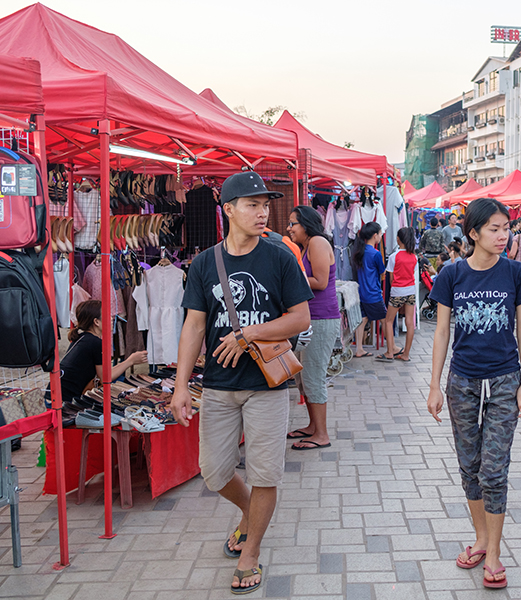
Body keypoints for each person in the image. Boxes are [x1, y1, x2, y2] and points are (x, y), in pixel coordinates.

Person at [171, 172, 312, 596]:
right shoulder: (203, 263)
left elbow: (301, 318)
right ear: (227, 209)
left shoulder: (279, 257)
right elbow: (193, 326)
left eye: (265, 204)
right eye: (252, 204)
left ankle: (250, 553)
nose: (262, 211)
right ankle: (253, 512)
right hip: (218, 384)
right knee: (213, 472)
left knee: (265, 472)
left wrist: (248, 334)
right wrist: (180, 387)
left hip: (266, 384)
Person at [427, 197, 521, 590]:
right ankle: (481, 538)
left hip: (506, 380)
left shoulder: (516, 273)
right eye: (494, 228)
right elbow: (441, 332)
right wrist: (434, 385)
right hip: (462, 382)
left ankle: (493, 553)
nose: (503, 235)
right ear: (473, 233)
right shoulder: (452, 275)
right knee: (469, 467)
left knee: (494, 470)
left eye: (506, 227)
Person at [286, 205, 340, 451]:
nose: (289, 228)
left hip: (321, 319)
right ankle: (312, 426)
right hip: (308, 320)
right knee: (302, 378)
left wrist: (287, 277)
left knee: (313, 377)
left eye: (292, 223)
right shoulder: (307, 246)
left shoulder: (317, 242)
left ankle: (321, 434)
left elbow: (319, 281)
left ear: (306, 223)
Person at [58, 300, 147, 404]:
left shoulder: (83, 338)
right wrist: (130, 361)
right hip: (65, 401)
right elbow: (106, 378)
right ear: (96, 322)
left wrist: (129, 360)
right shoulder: (95, 342)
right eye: (107, 315)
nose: (111, 318)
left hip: (59, 394)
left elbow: (105, 372)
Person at [376, 227, 417, 362]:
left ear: (398, 239)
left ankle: (389, 352)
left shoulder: (394, 257)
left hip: (397, 291)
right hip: (411, 290)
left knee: (389, 320)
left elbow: (391, 278)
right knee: (410, 323)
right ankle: (406, 354)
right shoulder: (414, 257)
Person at [351, 221, 386, 358]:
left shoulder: (360, 251)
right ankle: (391, 348)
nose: (381, 236)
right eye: (380, 234)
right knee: (385, 320)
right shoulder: (375, 253)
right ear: (375, 235)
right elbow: (382, 272)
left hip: (361, 292)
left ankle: (359, 348)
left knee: (363, 319)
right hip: (373, 293)